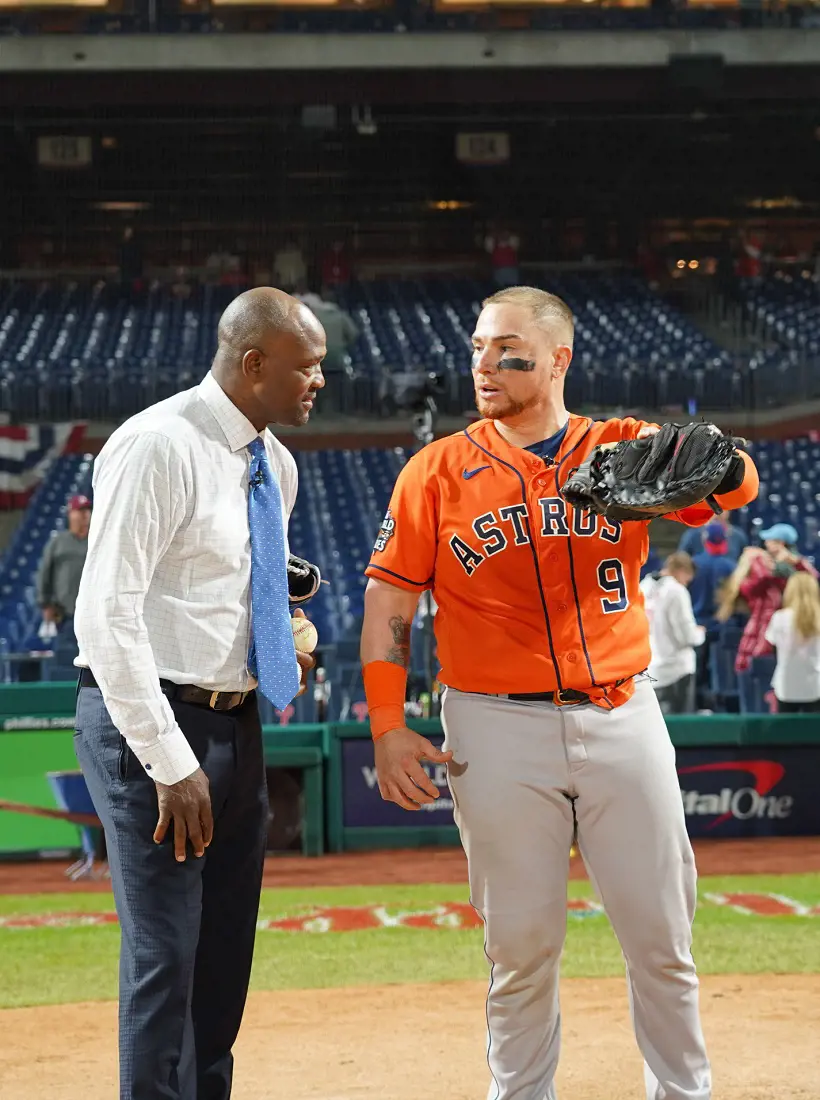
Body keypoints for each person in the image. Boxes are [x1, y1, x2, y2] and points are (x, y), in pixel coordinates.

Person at [359, 285, 759, 1100]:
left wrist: (694, 454)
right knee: (521, 947)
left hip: (623, 711)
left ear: (558, 359)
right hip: (493, 727)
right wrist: (387, 724)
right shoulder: (436, 471)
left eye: (506, 347)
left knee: (661, 937)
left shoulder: (619, 444)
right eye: (475, 347)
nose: (484, 364)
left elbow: (740, 485)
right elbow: (390, 604)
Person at [73, 287, 326, 1100]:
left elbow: (225, 597)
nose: (319, 380)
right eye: (307, 366)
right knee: (166, 958)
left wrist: (285, 638)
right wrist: (169, 763)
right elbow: (105, 615)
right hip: (150, 724)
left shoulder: (273, 464)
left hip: (234, 720)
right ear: (254, 363)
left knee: (222, 956)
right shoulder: (158, 444)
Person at [716, 522, 818, 712]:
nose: (766, 545)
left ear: (782, 543)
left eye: (771, 540)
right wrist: (761, 562)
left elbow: (810, 582)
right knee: (758, 699)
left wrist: (792, 562)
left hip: (788, 647)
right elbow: (751, 587)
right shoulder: (761, 570)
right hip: (760, 642)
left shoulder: (792, 573)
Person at [640, 551, 705, 715]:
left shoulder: (643, 586)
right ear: (682, 570)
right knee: (681, 731)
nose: (687, 583)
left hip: (649, 669)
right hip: (676, 670)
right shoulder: (676, 590)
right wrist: (699, 633)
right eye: (687, 579)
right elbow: (686, 636)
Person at [36, 493, 92, 665]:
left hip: (93, 612)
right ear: (70, 514)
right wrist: (45, 603)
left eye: (87, 510)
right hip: (65, 612)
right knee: (66, 661)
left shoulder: (97, 540)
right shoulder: (58, 542)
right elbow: (45, 572)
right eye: (80, 510)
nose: (84, 514)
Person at [764, 571, 820, 713]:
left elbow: (772, 645)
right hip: (815, 685)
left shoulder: (779, 618)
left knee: (786, 732)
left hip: (786, 685)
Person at [678, 510, 747, 561]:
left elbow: (745, 562)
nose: (717, 513)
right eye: (712, 507)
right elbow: (681, 560)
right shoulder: (692, 535)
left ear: (729, 510)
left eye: (721, 508)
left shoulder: (738, 535)